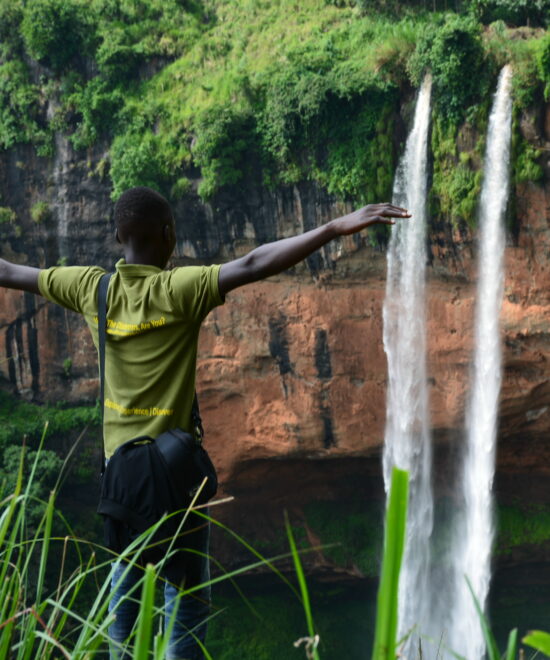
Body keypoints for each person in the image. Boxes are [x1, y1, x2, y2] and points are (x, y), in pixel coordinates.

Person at [0, 186, 409, 658]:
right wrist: (336, 225)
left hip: (122, 478)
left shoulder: (91, 289)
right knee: (187, 601)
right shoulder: (180, 289)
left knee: (124, 600)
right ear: (169, 236)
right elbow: (255, 263)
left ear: (118, 235)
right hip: (176, 479)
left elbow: (9, 270)